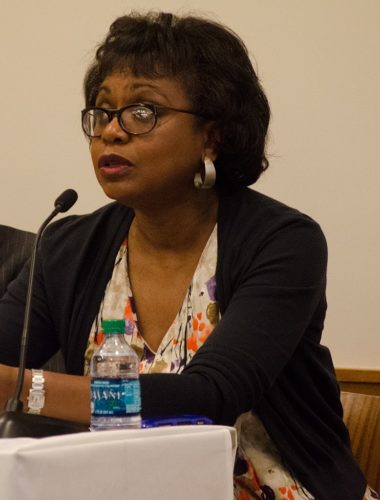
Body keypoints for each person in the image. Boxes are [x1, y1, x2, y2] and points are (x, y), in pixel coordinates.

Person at [0, 11, 377, 500]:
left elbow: (209, 397)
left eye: (142, 112)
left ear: (212, 136)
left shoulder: (283, 242)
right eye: (101, 113)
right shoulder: (69, 247)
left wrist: (25, 389)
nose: (111, 132)